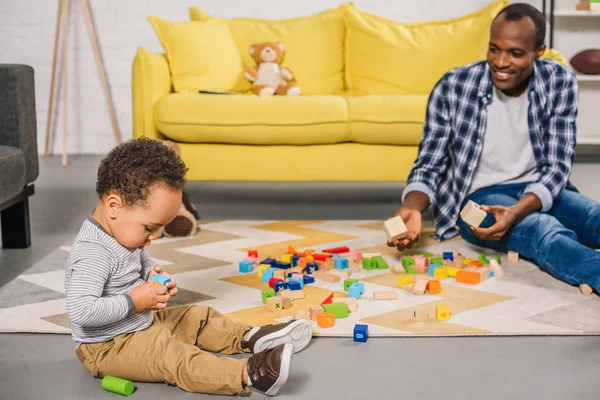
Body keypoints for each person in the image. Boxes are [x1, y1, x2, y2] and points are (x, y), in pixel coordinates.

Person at [65, 137, 313, 396]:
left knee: (196, 317)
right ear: (114, 206)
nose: (153, 237)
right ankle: (249, 374)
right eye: (150, 228)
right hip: (107, 348)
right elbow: (82, 312)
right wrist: (134, 301)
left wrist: (151, 275)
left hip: (140, 323)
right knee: (171, 355)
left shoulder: (123, 235)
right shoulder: (92, 253)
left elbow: (140, 260)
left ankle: (250, 338)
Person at [389, 3, 599, 295]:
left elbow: (557, 167)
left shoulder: (559, 81)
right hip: (478, 198)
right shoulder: (453, 86)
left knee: (592, 215)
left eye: (515, 53)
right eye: (494, 49)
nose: (500, 62)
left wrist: (515, 210)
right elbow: (429, 163)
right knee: (543, 230)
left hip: (537, 190)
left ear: (539, 51)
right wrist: (412, 207)